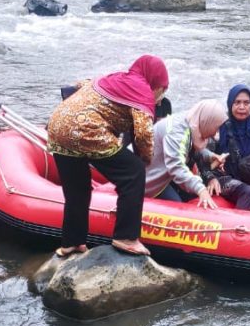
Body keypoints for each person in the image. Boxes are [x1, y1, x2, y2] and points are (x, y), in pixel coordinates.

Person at [46, 55, 168, 257]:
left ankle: (72, 242)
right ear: (155, 81)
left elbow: (79, 84)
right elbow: (144, 133)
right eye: (162, 89)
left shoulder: (115, 78)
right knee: (133, 172)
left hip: (57, 126)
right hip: (86, 128)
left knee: (79, 188)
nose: (160, 96)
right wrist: (145, 159)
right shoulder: (141, 89)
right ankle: (126, 237)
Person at [144, 99, 228, 209]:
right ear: (207, 121)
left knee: (185, 199)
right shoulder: (177, 131)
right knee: (177, 208)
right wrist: (201, 189)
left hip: (161, 177)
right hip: (145, 179)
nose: (215, 133)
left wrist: (210, 156)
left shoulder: (192, 121)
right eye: (216, 128)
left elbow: (187, 146)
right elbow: (176, 166)